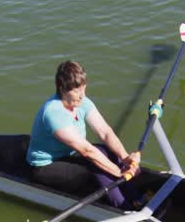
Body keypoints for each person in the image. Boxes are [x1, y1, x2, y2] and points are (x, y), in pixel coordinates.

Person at [27, 60, 140, 208]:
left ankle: (136, 197)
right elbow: (87, 151)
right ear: (62, 90)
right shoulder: (53, 112)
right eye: (76, 91)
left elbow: (105, 132)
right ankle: (124, 206)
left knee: (105, 150)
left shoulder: (82, 102)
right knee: (95, 164)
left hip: (69, 155)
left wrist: (125, 159)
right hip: (44, 167)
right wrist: (119, 173)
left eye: (84, 89)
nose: (82, 95)